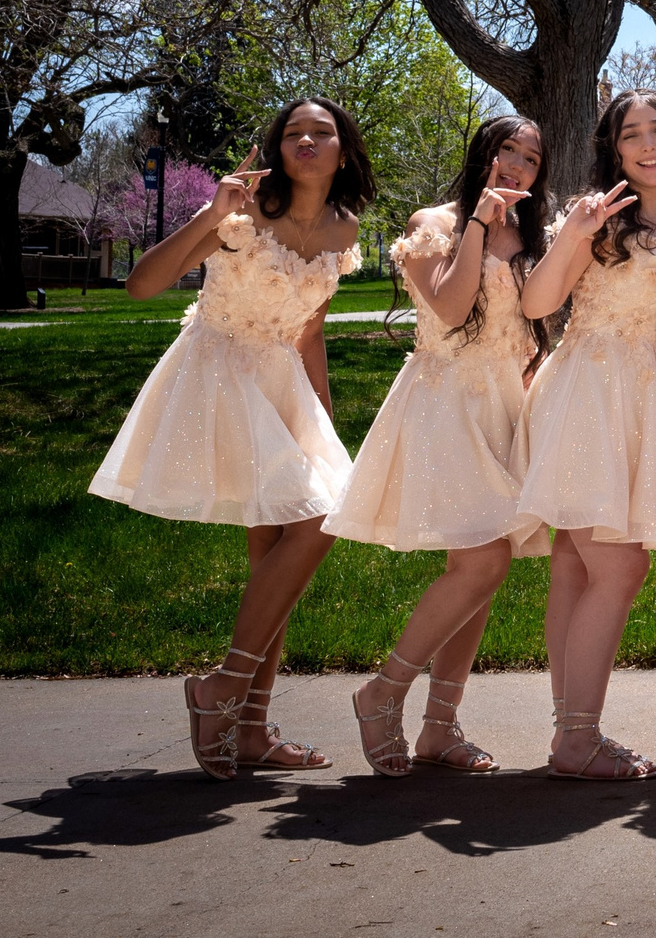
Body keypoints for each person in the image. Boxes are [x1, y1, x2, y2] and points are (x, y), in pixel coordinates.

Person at [90, 97, 372, 778]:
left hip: (280, 384)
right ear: (278, 148)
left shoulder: (345, 226)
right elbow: (141, 285)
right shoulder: (241, 212)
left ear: (343, 150)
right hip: (217, 374)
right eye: (293, 132)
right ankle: (223, 686)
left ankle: (249, 727)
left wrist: (321, 415)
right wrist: (210, 215)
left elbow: (310, 328)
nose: (307, 140)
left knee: (280, 550)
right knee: (316, 521)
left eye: (322, 132)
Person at [329, 115, 552, 776]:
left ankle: (439, 726)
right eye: (507, 149)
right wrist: (478, 223)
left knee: (480, 566)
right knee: (482, 562)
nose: (517, 164)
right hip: (446, 402)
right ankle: (383, 691)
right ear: (483, 152)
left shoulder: (530, 234)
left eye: (531, 157)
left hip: (504, 406)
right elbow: (451, 311)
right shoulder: (434, 223)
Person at [514, 89, 656, 780]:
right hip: (589, 393)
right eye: (632, 134)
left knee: (576, 568)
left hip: (647, 397)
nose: (649, 144)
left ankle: (570, 733)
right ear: (614, 148)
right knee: (621, 567)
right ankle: (578, 739)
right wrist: (572, 236)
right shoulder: (599, 217)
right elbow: (538, 302)